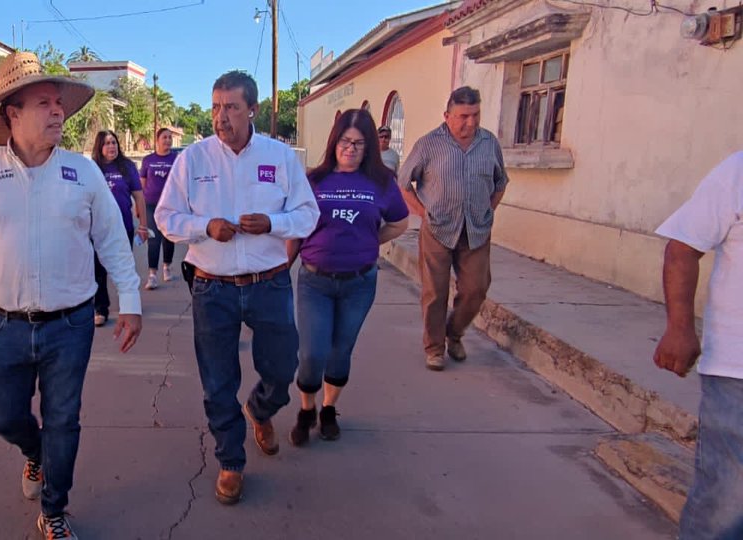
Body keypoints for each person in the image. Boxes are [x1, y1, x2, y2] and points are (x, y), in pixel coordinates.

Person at [0, 51, 143, 540]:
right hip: (4, 325)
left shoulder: (82, 172)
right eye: (44, 102)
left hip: (71, 324)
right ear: (12, 112)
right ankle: (33, 453)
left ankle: (55, 509)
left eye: (59, 103)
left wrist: (129, 301)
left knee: (64, 419)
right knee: (3, 417)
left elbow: (112, 239)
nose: (57, 112)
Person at [155, 70, 319, 505]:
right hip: (213, 288)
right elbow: (166, 218)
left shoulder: (280, 157)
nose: (220, 117)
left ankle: (261, 409)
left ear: (253, 109)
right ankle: (231, 459)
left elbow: (308, 214)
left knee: (283, 368)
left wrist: (274, 224)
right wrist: (204, 227)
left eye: (230, 107)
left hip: (269, 283)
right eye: (215, 107)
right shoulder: (193, 159)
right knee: (217, 382)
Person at [285, 109, 408, 445]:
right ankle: (306, 409)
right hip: (315, 281)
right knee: (312, 352)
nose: (350, 148)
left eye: (358, 143)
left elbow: (399, 222)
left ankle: (328, 409)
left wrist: (371, 242)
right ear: (334, 142)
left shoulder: (382, 184)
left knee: (341, 351)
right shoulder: (315, 181)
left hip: (359, 284)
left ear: (369, 147)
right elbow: (297, 229)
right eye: (344, 141)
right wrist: (281, 268)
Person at [652, 151, 743, 540]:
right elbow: (683, 248)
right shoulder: (736, 172)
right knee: (727, 500)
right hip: (737, 371)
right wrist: (680, 328)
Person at [398, 86, 508, 371]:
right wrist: (424, 214)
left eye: (475, 115)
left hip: (476, 231)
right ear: (447, 115)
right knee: (435, 292)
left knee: (476, 289)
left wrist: (487, 210)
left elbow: (500, 182)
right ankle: (434, 348)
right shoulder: (429, 144)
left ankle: (454, 333)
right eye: (462, 116)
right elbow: (403, 183)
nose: (469, 123)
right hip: (438, 229)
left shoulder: (489, 143)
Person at [91, 129, 147, 327]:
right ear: (99, 147)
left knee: (123, 267)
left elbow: (139, 196)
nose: (111, 146)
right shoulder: (92, 168)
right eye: (106, 143)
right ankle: (101, 308)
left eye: (114, 142)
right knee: (98, 270)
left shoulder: (127, 166)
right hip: (97, 229)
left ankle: (129, 305)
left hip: (123, 227)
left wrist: (143, 225)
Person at [141, 127, 179, 290]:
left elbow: (180, 182)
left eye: (170, 138)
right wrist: (140, 206)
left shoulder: (176, 159)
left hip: (170, 205)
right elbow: (142, 183)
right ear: (157, 140)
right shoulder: (148, 160)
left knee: (168, 238)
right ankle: (152, 275)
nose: (168, 140)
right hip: (151, 204)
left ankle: (167, 266)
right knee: (154, 240)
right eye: (164, 137)